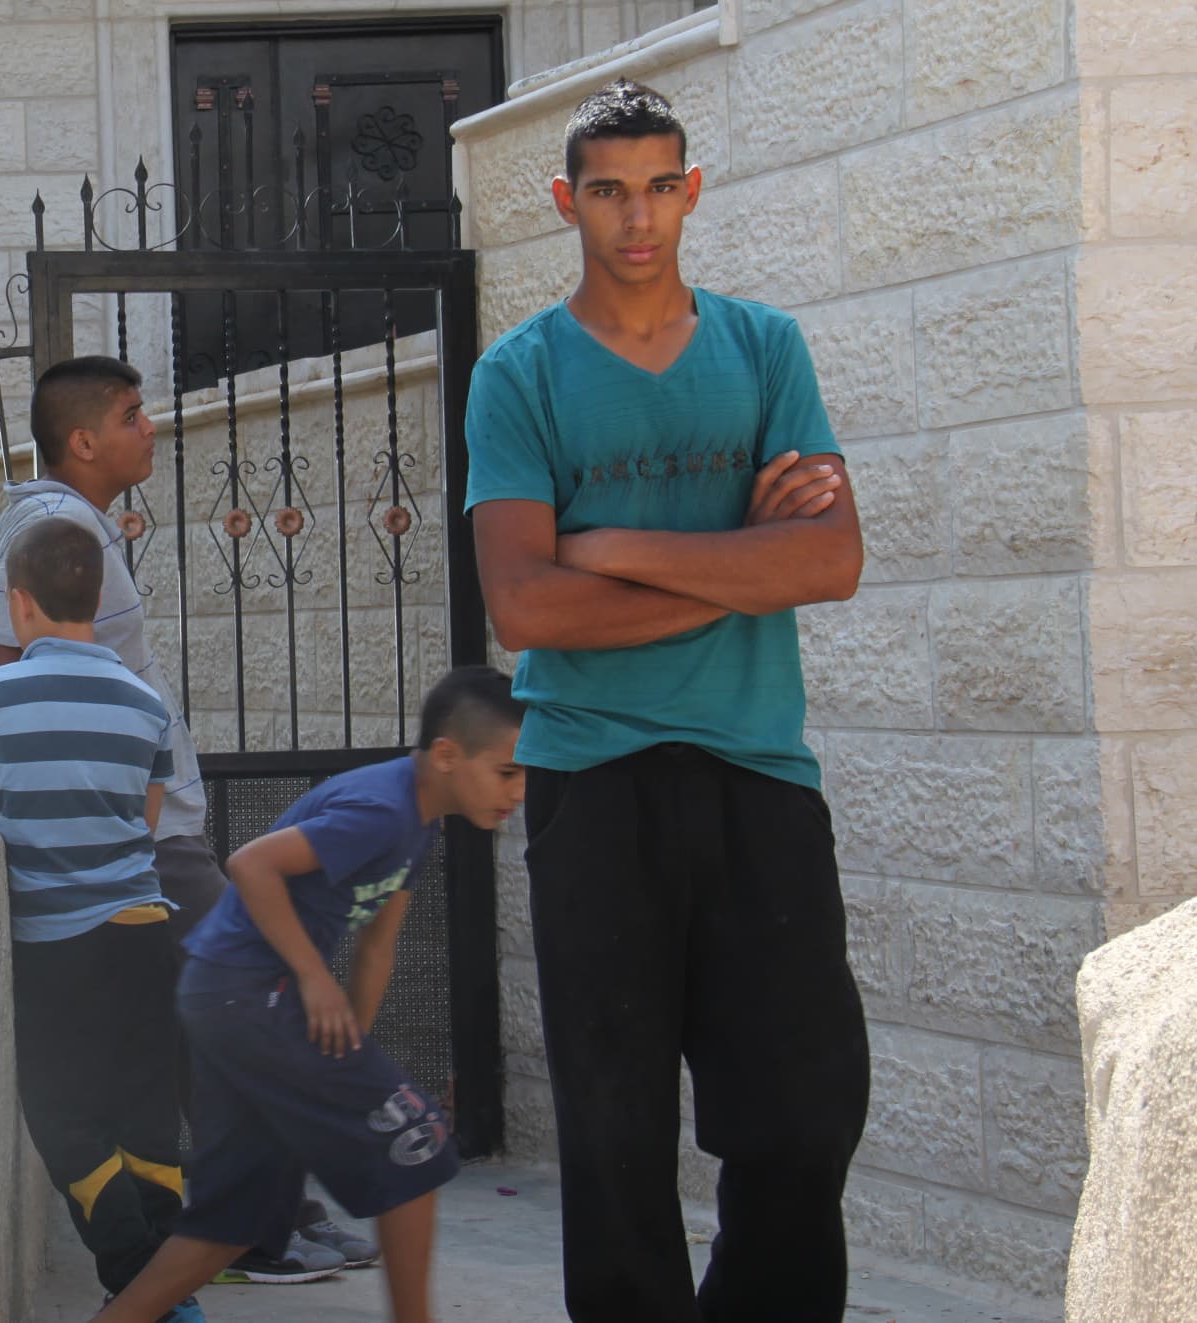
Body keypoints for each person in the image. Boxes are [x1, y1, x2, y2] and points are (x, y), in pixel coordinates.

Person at [462, 78, 871, 1322]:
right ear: (565, 202)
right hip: (594, 784)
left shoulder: (766, 350)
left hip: (761, 774)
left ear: (690, 190)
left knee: (803, 1117)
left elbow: (829, 562)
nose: (636, 218)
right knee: (616, 1131)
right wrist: (735, 567)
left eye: (658, 187)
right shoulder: (519, 375)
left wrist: (611, 547)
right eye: (606, 191)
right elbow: (525, 611)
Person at [0, 354, 356, 1284]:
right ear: (84, 440)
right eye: (135, 415)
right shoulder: (54, 523)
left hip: (150, 834)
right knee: (241, 1008)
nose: (153, 427)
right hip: (144, 844)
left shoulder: (80, 523)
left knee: (207, 1028)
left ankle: (258, 1221)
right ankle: (255, 1229)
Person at [91, 666, 529, 1323]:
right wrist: (313, 978)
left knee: (238, 1215)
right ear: (447, 754)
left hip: (230, 995)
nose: (517, 792)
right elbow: (250, 863)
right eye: (507, 772)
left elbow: (378, 944)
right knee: (419, 1143)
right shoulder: (381, 809)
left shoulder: (420, 822)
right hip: (249, 992)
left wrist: (354, 1047)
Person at [0, 516, 204, 1323]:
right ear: (96, 597)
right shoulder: (144, 700)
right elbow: (147, 813)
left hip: (54, 950)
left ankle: (140, 1286)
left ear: (20, 604)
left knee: (61, 1113)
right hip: (140, 934)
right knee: (146, 1118)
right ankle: (170, 1286)